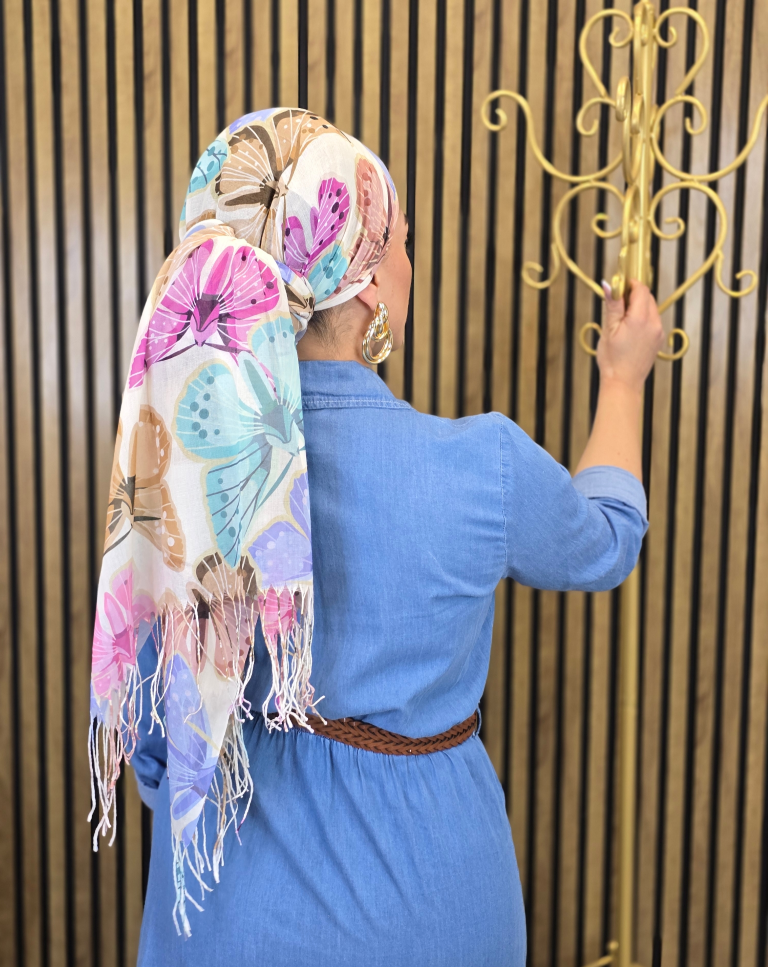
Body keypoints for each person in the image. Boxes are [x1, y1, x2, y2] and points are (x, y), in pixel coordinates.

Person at [87, 107, 663, 967]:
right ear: (365, 286)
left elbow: (151, 743)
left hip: (225, 907)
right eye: (403, 242)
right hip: (430, 900)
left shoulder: (181, 467)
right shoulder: (485, 467)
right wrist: (623, 380)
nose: (408, 263)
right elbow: (607, 540)